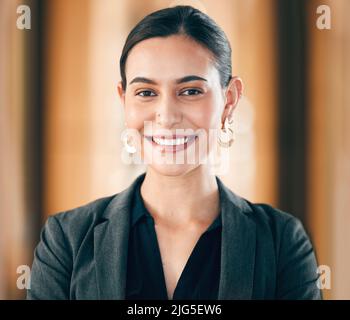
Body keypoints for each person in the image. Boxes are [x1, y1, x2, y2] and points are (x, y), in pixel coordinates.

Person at [27, 5, 322, 300]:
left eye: (191, 90)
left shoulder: (282, 242)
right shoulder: (65, 240)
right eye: (146, 93)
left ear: (229, 101)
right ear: (124, 100)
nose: (166, 116)